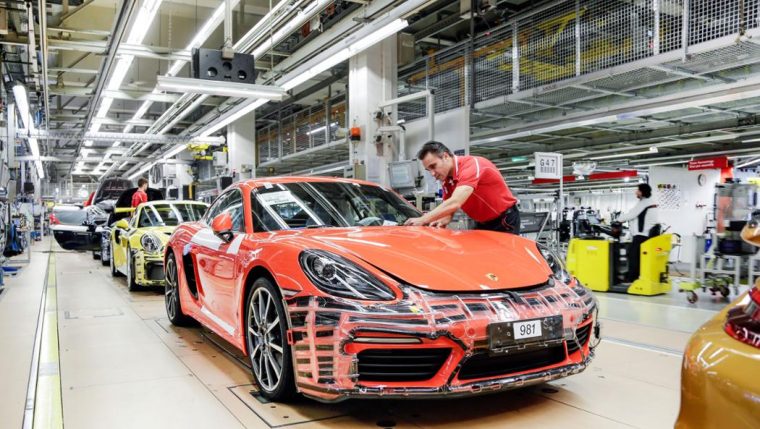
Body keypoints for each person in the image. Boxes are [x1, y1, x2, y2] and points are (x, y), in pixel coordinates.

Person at [404, 141, 520, 234]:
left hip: (505, 220)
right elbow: (449, 206)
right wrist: (445, 217)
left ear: (445, 156)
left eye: (433, 166)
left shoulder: (472, 165)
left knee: (504, 261)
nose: (433, 173)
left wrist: (423, 219)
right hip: (482, 223)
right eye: (429, 170)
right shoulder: (447, 180)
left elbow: (455, 202)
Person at [617, 183, 659, 282]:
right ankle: (634, 276)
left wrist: (618, 220)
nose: (636, 192)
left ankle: (632, 279)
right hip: (647, 235)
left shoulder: (644, 202)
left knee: (633, 256)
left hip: (641, 235)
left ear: (642, 192)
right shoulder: (650, 201)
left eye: (638, 190)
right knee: (637, 257)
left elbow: (631, 214)